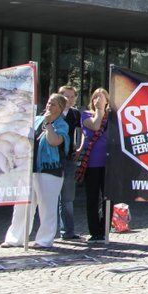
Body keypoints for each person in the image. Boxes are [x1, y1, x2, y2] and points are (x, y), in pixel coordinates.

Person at [2, 93, 70, 248]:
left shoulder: (62, 125)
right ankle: (15, 238)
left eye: (53, 104)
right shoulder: (36, 120)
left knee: (47, 207)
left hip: (50, 170)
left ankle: (44, 240)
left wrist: (49, 124)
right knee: (22, 205)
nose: (49, 106)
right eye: (48, 102)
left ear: (60, 108)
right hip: (29, 168)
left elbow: (54, 141)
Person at [76, 88, 111, 243]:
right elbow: (96, 126)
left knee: (108, 198)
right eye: (96, 97)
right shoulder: (85, 115)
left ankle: (105, 229)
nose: (98, 100)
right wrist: (99, 110)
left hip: (109, 163)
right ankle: (95, 231)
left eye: (101, 97)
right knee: (92, 197)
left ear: (107, 100)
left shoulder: (112, 117)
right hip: (92, 163)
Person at [56, 84, 82, 240]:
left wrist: (79, 147)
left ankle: (67, 232)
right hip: (52, 159)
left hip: (69, 158)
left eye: (72, 97)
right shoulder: (52, 112)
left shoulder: (75, 114)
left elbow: (81, 131)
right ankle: (47, 233)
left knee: (67, 197)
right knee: (48, 198)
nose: (70, 99)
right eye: (66, 96)